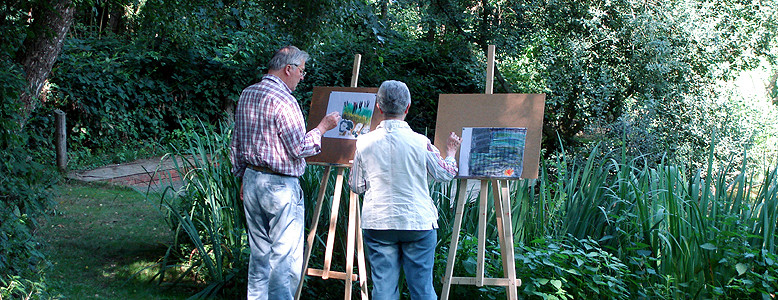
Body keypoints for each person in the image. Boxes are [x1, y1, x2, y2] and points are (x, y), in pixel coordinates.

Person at [229, 45, 340, 300]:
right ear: (288, 69)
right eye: (301, 71)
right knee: (285, 258)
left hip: (252, 180)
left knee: (259, 255)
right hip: (279, 186)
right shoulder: (284, 100)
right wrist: (323, 127)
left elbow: (237, 141)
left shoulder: (248, 93)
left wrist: (243, 176)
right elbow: (299, 147)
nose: (302, 76)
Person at [348, 80, 461, 300]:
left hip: (378, 222)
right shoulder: (420, 142)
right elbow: (445, 173)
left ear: (379, 108)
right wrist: (451, 153)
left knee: (383, 290)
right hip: (417, 221)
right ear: (408, 107)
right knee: (422, 290)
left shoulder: (363, 142)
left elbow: (355, 186)